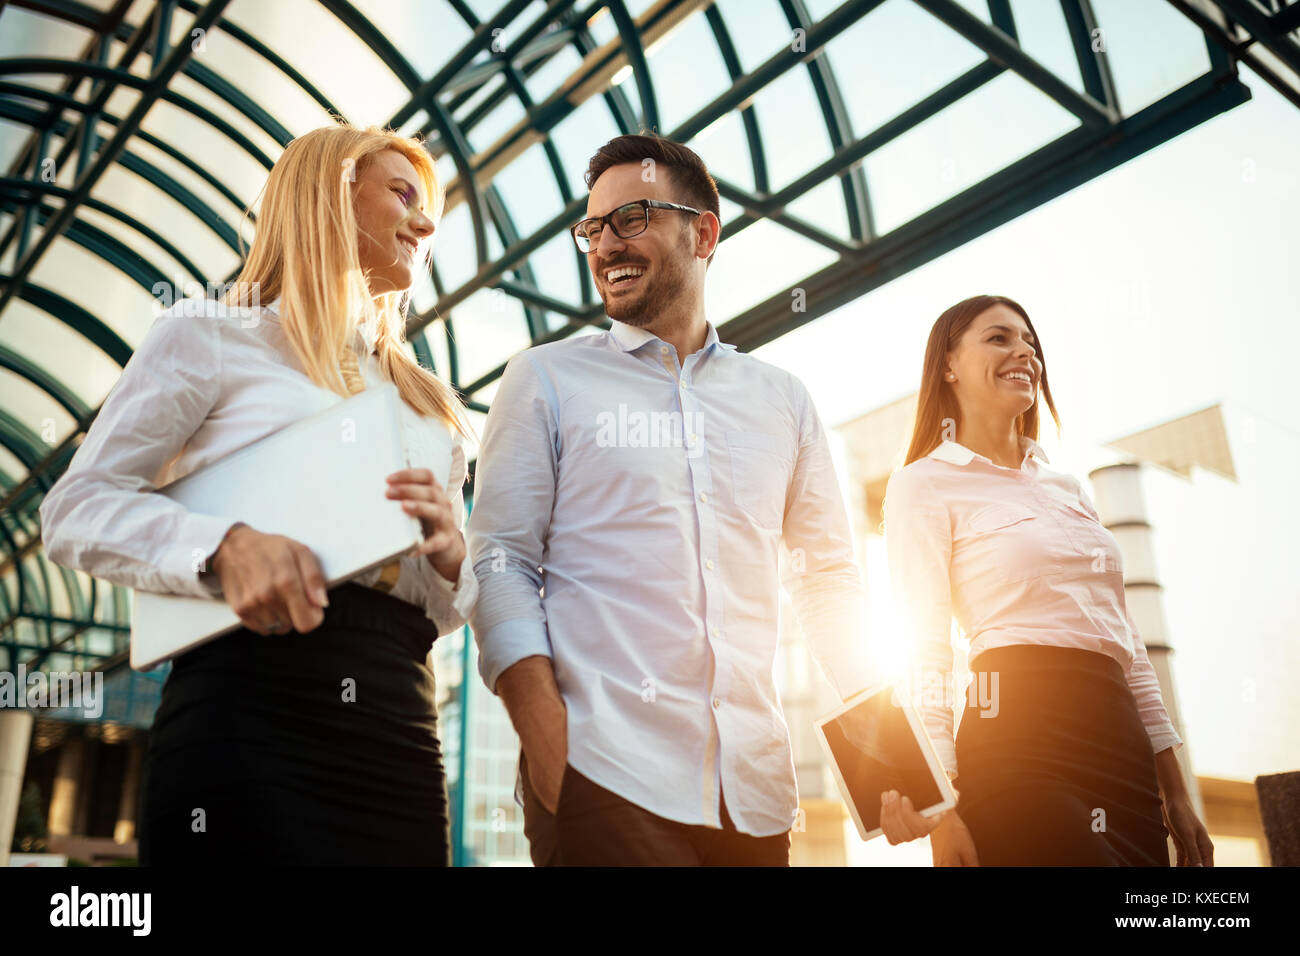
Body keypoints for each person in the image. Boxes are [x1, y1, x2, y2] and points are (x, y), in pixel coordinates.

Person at [466, 132, 927, 866]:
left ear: (703, 231)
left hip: (753, 802)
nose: (606, 244)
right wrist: (551, 749)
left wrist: (895, 760)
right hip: (602, 780)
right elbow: (498, 561)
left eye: (632, 217)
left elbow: (827, 584)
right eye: (593, 228)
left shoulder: (783, 401)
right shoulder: (545, 380)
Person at [38, 124, 475, 866]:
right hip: (245, 704)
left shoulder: (436, 410)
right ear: (329, 190)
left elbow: (440, 616)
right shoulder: (209, 336)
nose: (427, 222)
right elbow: (74, 510)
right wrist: (223, 549)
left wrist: (455, 557)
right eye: (403, 193)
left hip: (396, 718)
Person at [879, 294, 1214, 866]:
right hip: (1017, 741)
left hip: (1121, 748)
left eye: (1030, 343)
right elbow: (927, 653)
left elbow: (1129, 648)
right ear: (949, 364)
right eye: (999, 338)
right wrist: (941, 811)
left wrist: (1177, 791)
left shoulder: (1068, 488)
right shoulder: (922, 484)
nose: (1024, 353)